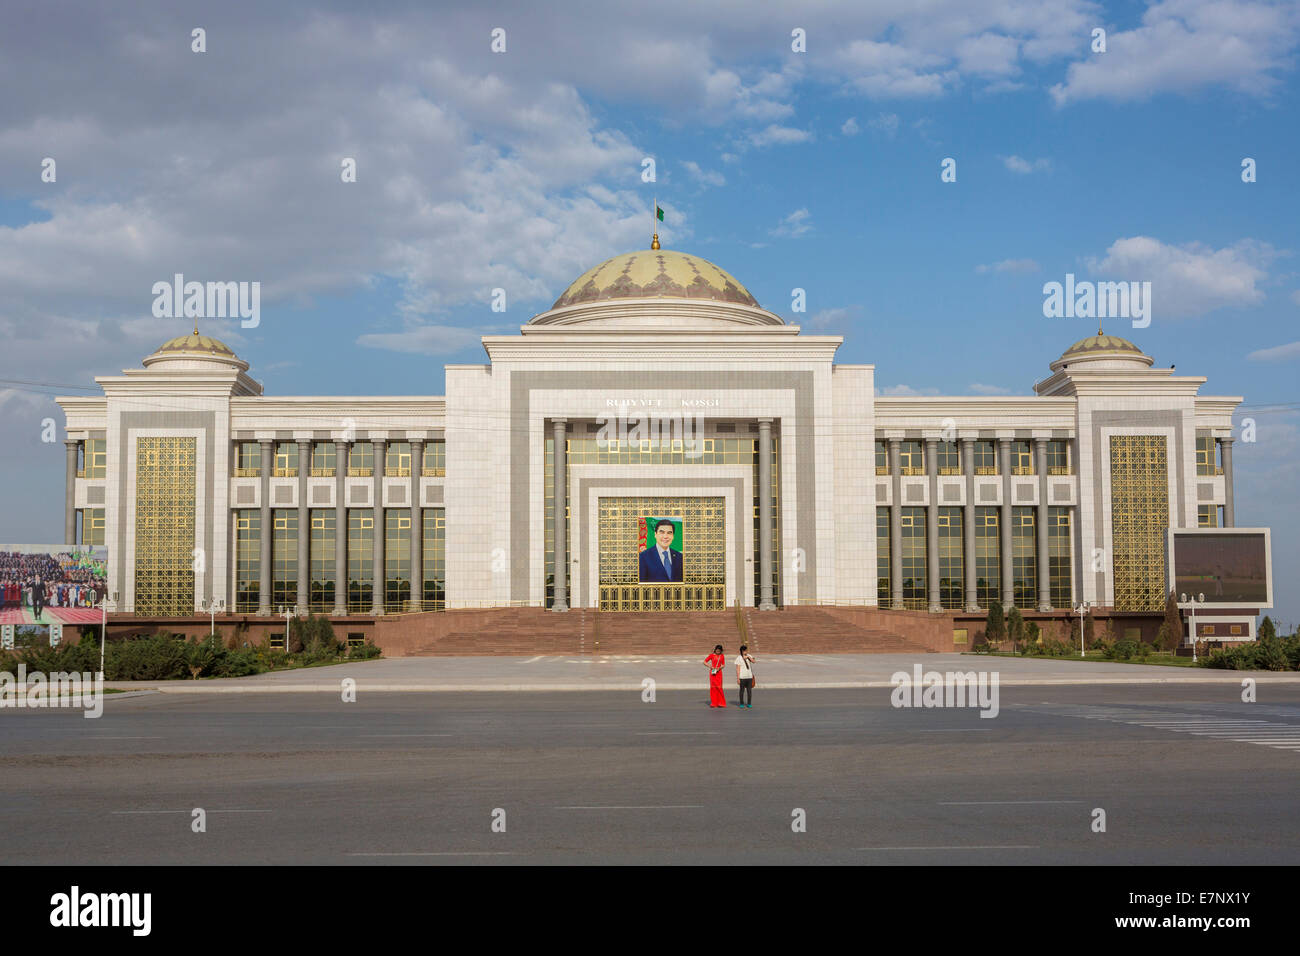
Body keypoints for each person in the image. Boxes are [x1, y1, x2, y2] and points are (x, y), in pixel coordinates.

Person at [703, 643, 727, 708]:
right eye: (717, 650)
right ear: (715, 649)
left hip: (719, 673)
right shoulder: (711, 655)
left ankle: (721, 703)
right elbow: (704, 662)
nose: (718, 651)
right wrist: (710, 666)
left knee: (719, 687)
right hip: (713, 673)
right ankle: (714, 703)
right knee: (713, 688)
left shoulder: (722, 656)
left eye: (719, 651)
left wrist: (720, 668)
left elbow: (723, 664)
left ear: (721, 651)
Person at [736, 643, 755, 708]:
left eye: (746, 650)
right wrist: (738, 678)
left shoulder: (749, 655)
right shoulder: (739, 658)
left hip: (749, 676)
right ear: (741, 651)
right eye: (744, 651)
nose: (745, 652)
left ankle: (749, 703)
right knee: (742, 691)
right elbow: (738, 669)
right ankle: (741, 703)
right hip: (742, 677)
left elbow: (754, 661)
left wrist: (748, 657)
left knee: (749, 691)